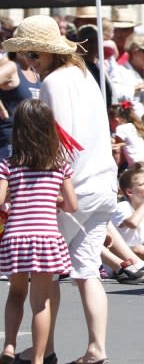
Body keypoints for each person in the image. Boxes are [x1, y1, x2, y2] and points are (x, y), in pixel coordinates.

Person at [3, 15, 117, 364]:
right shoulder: (86, 76)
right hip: (103, 180)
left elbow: (61, 139)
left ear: (44, 53)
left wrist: (49, 185)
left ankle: (43, 349)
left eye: (31, 55)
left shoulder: (54, 83)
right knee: (87, 271)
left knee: (45, 274)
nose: (28, 63)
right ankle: (96, 347)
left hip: (73, 185)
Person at [0, 100, 78, 364]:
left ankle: (9, 346)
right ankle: (38, 358)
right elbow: (71, 205)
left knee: (15, 293)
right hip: (45, 237)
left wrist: (13, 199)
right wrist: (51, 200)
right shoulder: (59, 165)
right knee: (41, 302)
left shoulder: (8, 165)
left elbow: (0, 201)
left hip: (16, 236)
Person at [0, 49, 37, 162]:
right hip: (11, 143)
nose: (35, 55)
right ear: (18, 51)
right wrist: (2, 109)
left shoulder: (35, 71)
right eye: (31, 51)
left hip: (32, 143)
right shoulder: (12, 67)